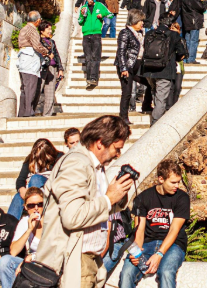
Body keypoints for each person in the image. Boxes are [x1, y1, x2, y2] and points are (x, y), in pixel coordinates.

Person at [32, 115, 135, 288]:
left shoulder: (94, 165)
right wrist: (108, 199)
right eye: (116, 148)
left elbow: (92, 209)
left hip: (87, 259)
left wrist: (117, 196)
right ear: (100, 143)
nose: (118, 155)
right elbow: (73, 216)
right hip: (75, 259)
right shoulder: (76, 163)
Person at [119, 160, 189, 288]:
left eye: (178, 182)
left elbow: (174, 229)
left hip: (174, 244)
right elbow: (139, 229)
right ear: (161, 179)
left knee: (166, 272)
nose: (177, 186)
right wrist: (137, 252)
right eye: (173, 182)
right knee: (127, 272)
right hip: (147, 243)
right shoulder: (143, 198)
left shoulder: (182, 198)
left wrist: (160, 254)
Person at [0, 188, 47, 288]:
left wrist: (31, 258)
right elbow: (13, 252)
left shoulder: (50, 220)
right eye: (31, 205)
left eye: (40, 204)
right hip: (32, 263)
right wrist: (29, 230)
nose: (36, 208)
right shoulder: (25, 222)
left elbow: (54, 251)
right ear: (25, 207)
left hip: (47, 262)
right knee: (5, 261)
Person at [7, 139, 62, 220]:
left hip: (49, 189)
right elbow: (20, 179)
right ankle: (9, 225)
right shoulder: (30, 159)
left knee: (35, 178)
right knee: (18, 197)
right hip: (31, 190)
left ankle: (36, 214)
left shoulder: (59, 157)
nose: (40, 161)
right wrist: (22, 189)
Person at [16, 11, 49, 117]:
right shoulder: (32, 30)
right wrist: (46, 51)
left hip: (24, 60)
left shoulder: (24, 28)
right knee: (31, 86)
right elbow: (36, 45)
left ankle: (22, 111)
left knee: (25, 88)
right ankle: (28, 111)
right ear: (38, 20)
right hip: (30, 60)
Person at [116, 10, 146, 123]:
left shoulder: (139, 33)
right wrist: (123, 68)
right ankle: (123, 117)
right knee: (127, 91)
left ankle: (147, 105)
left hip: (137, 64)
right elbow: (121, 51)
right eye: (140, 21)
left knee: (149, 82)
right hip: (127, 65)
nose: (142, 23)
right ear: (134, 21)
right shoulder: (125, 32)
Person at [79, 0, 112, 90]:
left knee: (95, 56)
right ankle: (89, 78)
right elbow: (80, 22)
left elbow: (111, 14)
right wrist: (82, 16)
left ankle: (94, 77)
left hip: (97, 34)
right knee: (88, 57)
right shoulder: (83, 8)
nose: (90, 1)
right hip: (86, 34)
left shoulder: (100, 6)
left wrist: (102, 16)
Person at [169, 0, 207, 64]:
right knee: (193, 40)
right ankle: (191, 59)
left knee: (187, 41)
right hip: (194, 22)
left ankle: (186, 59)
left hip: (187, 22)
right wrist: (205, 1)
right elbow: (201, 8)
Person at [38, 21, 63, 116]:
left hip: (52, 68)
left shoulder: (52, 42)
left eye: (50, 29)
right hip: (42, 67)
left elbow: (56, 55)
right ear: (42, 30)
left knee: (50, 92)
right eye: (48, 29)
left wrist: (60, 69)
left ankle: (47, 113)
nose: (50, 31)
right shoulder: (38, 41)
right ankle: (33, 111)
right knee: (38, 89)